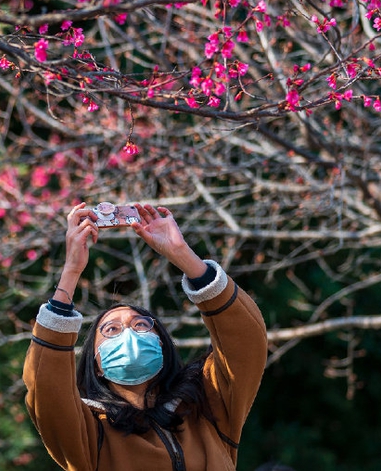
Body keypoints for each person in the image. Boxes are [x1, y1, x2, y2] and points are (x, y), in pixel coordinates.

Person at [24, 202, 268, 471]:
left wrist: (183, 255)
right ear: (97, 364)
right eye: (111, 330)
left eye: (141, 325)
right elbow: (46, 386)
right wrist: (70, 271)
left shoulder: (207, 407)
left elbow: (247, 341)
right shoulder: (88, 432)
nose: (129, 333)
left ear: (162, 345)